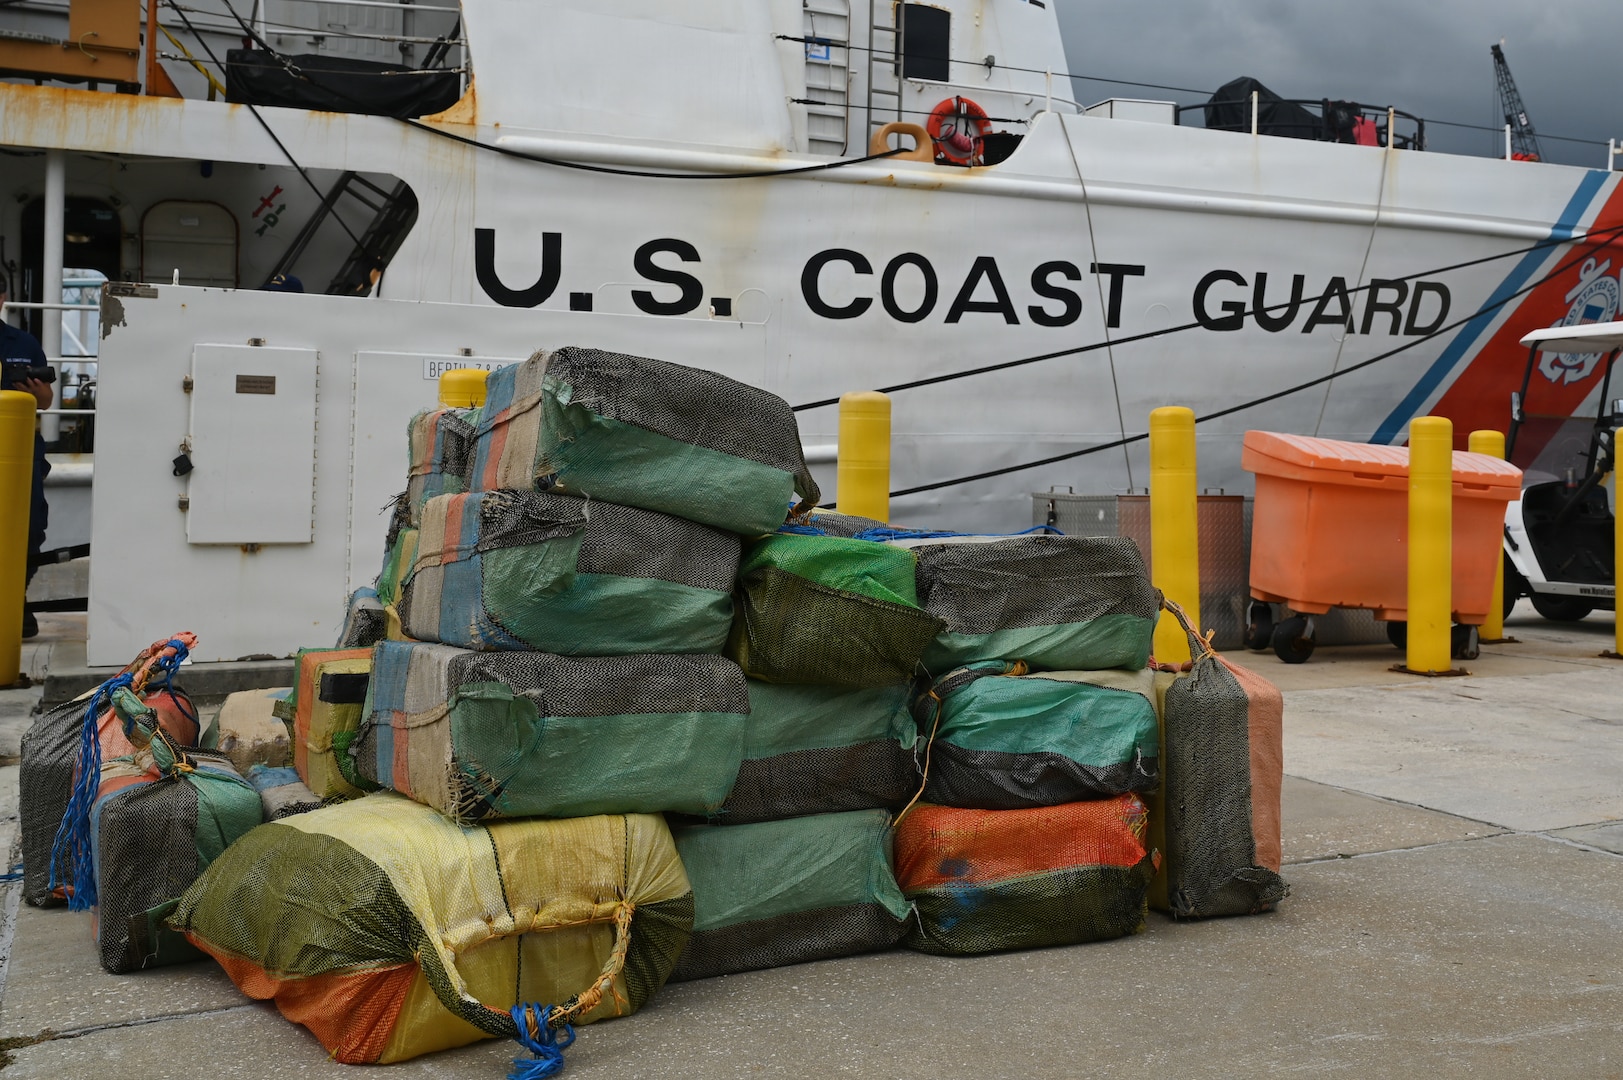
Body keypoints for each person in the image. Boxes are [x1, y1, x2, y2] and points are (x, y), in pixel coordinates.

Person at [0, 270, 52, 639]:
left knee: (31, 528)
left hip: (21, 453)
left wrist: (34, 389)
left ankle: (14, 600)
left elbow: (46, 400)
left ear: (2, 298)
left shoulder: (22, 342)